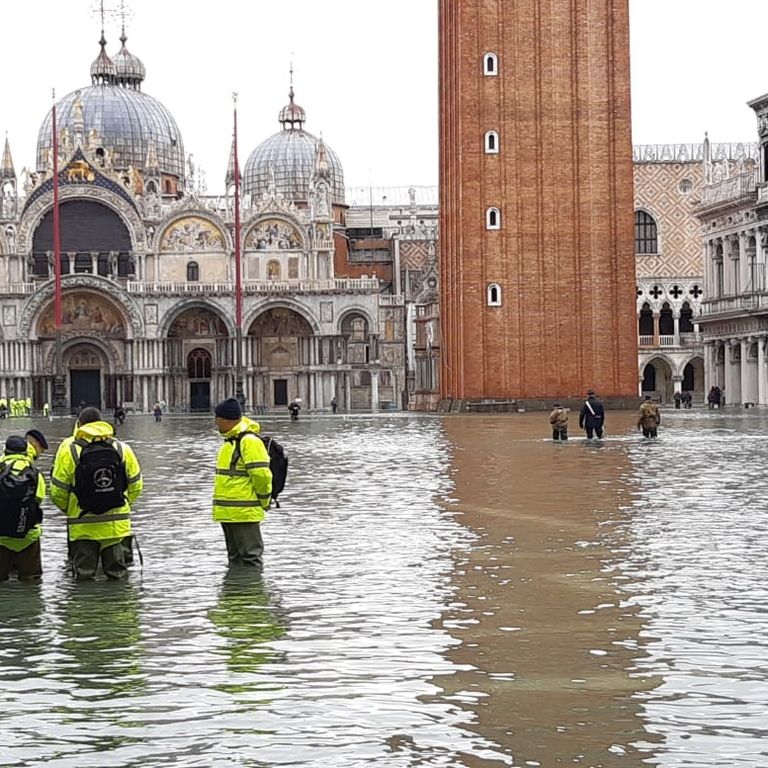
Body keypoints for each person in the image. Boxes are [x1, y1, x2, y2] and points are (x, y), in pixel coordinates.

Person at [50, 407, 143, 580]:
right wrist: (122, 504)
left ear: (79, 424)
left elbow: (57, 491)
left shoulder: (68, 450)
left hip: (82, 526)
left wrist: (71, 509)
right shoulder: (122, 449)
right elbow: (136, 485)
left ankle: (86, 607)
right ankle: (120, 607)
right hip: (116, 527)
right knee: (119, 578)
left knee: (83, 579)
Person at [212, 398, 272, 567]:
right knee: (235, 558)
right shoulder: (229, 442)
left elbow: (262, 476)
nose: (215, 423)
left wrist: (264, 500)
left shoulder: (249, 441)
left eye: (218, 418)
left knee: (250, 557)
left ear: (228, 419)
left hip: (245, 512)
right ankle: (235, 592)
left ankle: (253, 592)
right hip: (228, 513)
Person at [0, 435, 46, 582]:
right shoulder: (35, 472)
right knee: (31, 581)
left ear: (5, 451)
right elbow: (38, 499)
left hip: (0, 538)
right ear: (26, 451)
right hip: (28, 536)